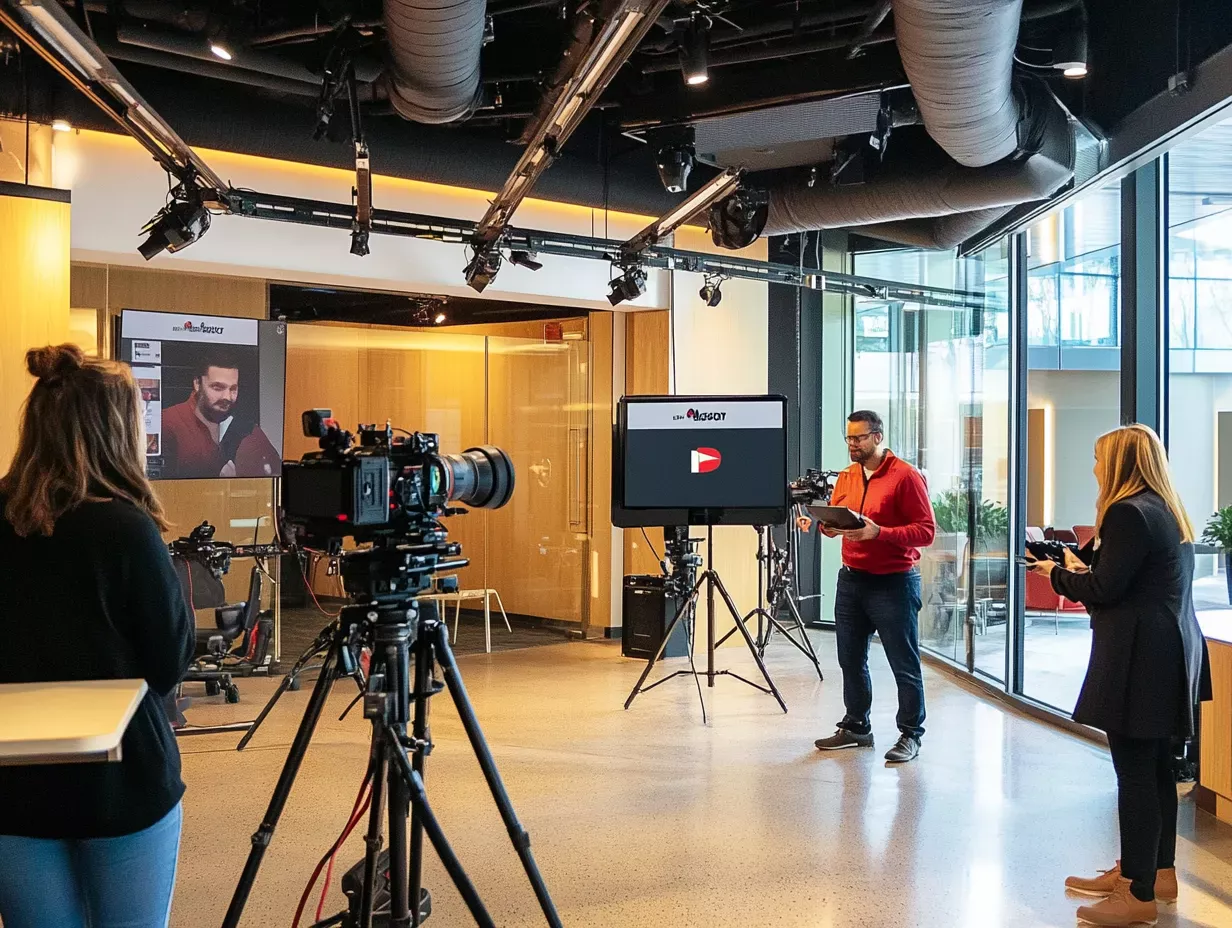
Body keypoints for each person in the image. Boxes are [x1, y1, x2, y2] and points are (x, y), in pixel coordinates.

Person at [0, 345, 195, 928]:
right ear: (119, 430)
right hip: (123, 784)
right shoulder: (127, 529)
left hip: (12, 789)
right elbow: (169, 664)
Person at [1027, 424, 1211, 928]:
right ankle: (1155, 871)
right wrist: (1077, 566)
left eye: (1098, 458)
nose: (1094, 468)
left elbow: (1106, 588)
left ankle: (1137, 893)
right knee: (1155, 770)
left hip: (1139, 658)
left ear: (1120, 463)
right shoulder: (1166, 508)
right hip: (1170, 652)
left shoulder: (1127, 511)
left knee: (1134, 772)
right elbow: (1129, 577)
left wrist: (1056, 576)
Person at [810, 410, 936, 764]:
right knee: (850, 660)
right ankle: (856, 727)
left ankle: (910, 734)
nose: (852, 445)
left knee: (903, 663)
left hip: (893, 582)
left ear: (877, 437)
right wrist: (828, 526)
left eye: (859, 438)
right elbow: (837, 516)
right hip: (851, 579)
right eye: (849, 438)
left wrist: (879, 532)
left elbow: (925, 532)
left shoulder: (905, 476)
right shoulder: (848, 476)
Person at [161, 351, 279, 478]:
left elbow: (276, 478)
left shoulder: (250, 431)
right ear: (197, 384)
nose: (227, 397)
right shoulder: (168, 423)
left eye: (233, 389)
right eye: (218, 388)